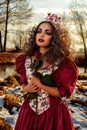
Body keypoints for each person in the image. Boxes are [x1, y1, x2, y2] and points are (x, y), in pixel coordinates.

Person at [14, 13, 78, 130]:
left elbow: (62, 92)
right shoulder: (25, 59)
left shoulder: (63, 63)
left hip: (52, 114)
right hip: (29, 112)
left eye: (47, 33)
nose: (42, 34)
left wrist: (40, 84)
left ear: (55, 38)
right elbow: (23, 80)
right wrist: (25, 88)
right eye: (39, 31)